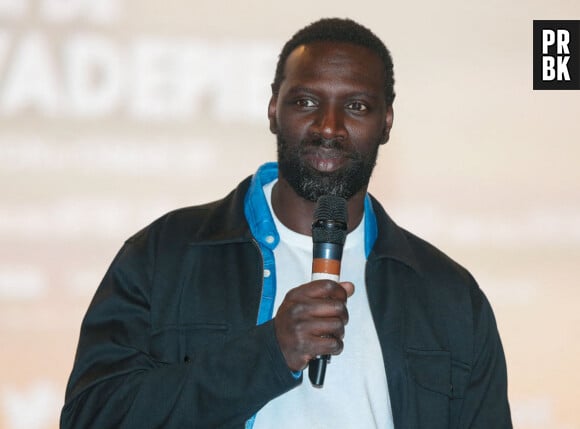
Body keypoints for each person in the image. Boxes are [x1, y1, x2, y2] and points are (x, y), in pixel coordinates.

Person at [60, 18, 512, 429]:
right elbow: (91, 418)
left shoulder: (448, 295)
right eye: (306, 101)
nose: (329, 127)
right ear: (274, 109)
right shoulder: (165, 254)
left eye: (356, 106)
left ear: (386, 122)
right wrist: (268, 353)